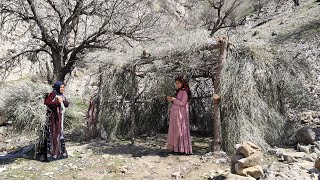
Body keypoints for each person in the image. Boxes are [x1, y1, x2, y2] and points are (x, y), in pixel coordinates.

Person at [38, 81, 69, 161]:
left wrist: (62, 101)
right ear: (57, 87)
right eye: (61, 87)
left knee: (59, 134)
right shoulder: (53, 94)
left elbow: (66, 104)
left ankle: (60, 153)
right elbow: (47, 103)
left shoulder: (61, 95)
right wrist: (57, 102)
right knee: (53, 135)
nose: (62, 89)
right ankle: (52, 155)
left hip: (59, 119)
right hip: (53, 119)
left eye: (63, 87)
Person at [166, 77, 192, 155]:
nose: (177, 85)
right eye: (176, 83)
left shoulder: (185, 92)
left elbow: (183, 103)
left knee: (180, 130)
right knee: (175, 130)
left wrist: (174, 100)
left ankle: (182, 149)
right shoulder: (180, 91)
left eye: (178, 83)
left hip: (181, 115)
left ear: (182, 83)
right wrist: (171, 99)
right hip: (176, 114)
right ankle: (175, 148)